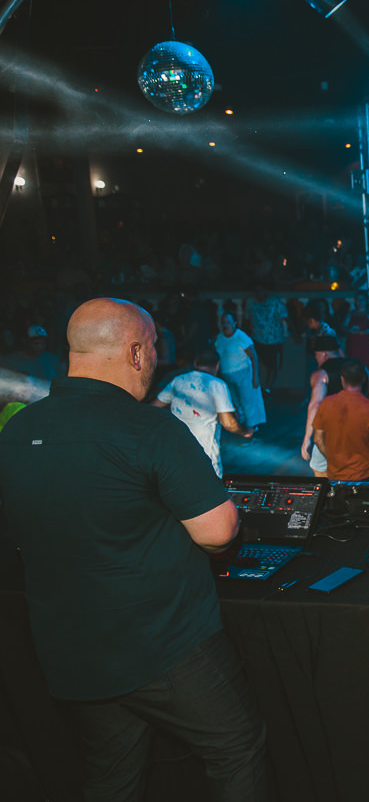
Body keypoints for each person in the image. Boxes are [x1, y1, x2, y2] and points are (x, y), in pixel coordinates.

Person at [0, 298, 269, 801]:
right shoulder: (149, 429)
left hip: (71, 653)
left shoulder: (16, 432)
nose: (155, 357)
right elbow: (217, 531)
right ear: (136, 353)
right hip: (162, 646)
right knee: (237, 750)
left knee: (113, 776)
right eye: (152, 345)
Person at [154, 347, 253, 477]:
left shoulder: (178, 380)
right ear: (217, 366)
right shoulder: (217, 385)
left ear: (195, 363)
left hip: (176, 454)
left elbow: (154, 407)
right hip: (205, 457)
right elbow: (228, 423)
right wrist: (244, 432)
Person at [303, 336, 369, 477]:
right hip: (359, 428)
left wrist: (307, 438)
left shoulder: (321, 373)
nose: (316, 359)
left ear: (323, 354)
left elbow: (315, 404)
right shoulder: (358, 366)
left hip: (331, 432)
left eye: (316, 355)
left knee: (320, 470)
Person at [312, 359, 369, 482]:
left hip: (335, 473)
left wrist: (332, 459)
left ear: (342, 379)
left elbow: (318, 439)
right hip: (364, 474)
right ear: (363, 379)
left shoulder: (326, 403)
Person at [213, 312, 266, 432]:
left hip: (243, 374)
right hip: (227, 375)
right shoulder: (220, 338)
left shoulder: (241, 337)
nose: (225, 325)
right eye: (223, 323)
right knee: (235, 402)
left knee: (247, 401)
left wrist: (255, 377)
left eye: (228, 322)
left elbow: (253, 357)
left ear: (234, 323)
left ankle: (251, 428)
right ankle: (242, 426)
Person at [244, 286, 289, 392]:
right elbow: (246, 320)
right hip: (257, 339)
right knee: (255, 363)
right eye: (257, 291)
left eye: (261, 290)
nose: (259, 293)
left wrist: (295, 334)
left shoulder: (275, 302)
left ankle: (268, 388)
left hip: (274, 340)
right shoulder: (251, 303)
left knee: (273, 365)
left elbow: (286, 318)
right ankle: (256, 387)